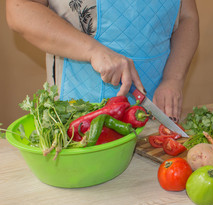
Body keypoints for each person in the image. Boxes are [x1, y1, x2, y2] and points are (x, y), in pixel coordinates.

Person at [6, 0, 199, 122]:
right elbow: (19, 8)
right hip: (79, 114)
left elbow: (187, 17)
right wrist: (93, 51)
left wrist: (173, 79)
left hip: (153, 112)